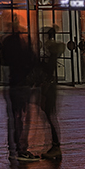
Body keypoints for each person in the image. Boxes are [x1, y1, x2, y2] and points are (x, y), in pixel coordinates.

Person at [0, 18, 38, 162]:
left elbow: (3, 60)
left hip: (12, 82)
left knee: (14, 117)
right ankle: (21, 149)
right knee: (22, 117)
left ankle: (13, 148)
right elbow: (31, 60)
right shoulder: (20, 42)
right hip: (21, 82)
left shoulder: (6, 41)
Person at [35, 27, 65, 160]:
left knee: (49, 115)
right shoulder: (51, 50)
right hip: (49, 86)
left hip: (48, 86)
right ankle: (54, 145)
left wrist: (39, 63)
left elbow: (48, 68)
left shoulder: (51, 51)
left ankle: (55, 146)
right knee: (49, 115)